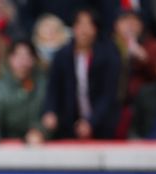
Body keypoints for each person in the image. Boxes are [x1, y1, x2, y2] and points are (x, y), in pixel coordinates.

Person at [41, 8, 121, 140]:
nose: (84, 30)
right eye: (79, 24)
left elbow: (108, 95)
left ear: (96, 29)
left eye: (89, 24)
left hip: (102, 126)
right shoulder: (62, 55)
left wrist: (91, 121)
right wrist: (50, 111)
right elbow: (53, 88)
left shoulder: (109, 56)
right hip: (68, 124)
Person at [0, 40, 47, 144]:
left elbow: (51, 116)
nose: (23, 60)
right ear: (9, 58)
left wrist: (40, 130)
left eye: (28, 55)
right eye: (18, 55)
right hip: (6, 143)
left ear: (34, 59)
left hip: (39, 142)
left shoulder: (43, 82)